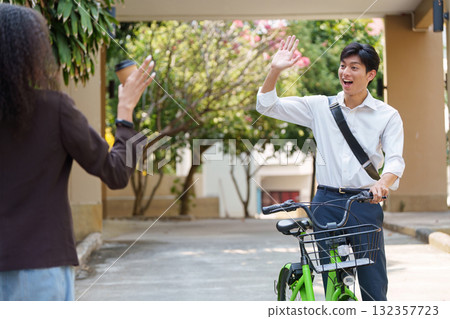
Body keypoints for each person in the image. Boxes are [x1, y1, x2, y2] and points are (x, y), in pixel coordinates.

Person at [0, 3, 155, 301]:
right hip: (39, 271)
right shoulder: (53, 109)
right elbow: (116, 173)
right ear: (29, 52)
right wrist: (126, 111)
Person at [256, 35, 405, 301]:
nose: (345, 72)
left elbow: (395, 159)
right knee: (332, 281)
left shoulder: (387, 115)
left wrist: (382, 183)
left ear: (370, 74)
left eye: (354, 67)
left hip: (364, 202)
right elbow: (266, 105)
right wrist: (275, 70)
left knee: (373, 284)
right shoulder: (320, 106)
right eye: (343, 66)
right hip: (325, 201)